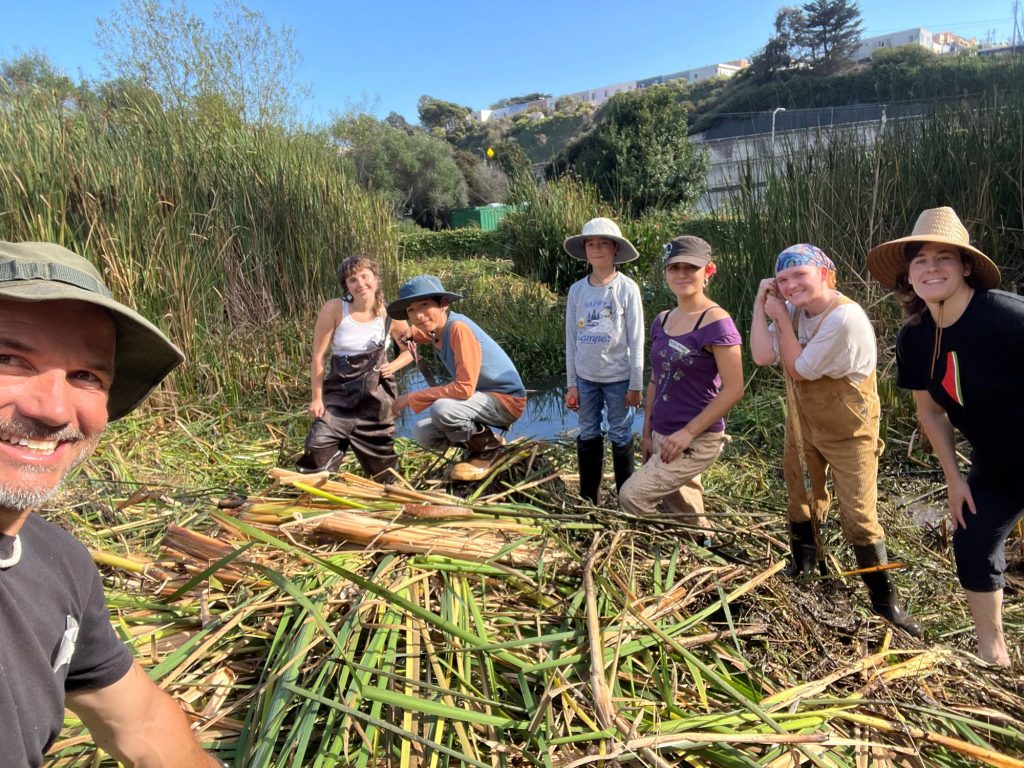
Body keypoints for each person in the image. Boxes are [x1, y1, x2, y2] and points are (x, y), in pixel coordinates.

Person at [0, 241, 220, 766]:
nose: (53, 410)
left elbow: (141, 723)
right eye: (8, 358)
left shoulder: (61, 565)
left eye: (86, 377)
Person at [868, 207, 1022, 665]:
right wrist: (955, 479)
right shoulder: (914, 338)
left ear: (966, 266)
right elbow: (930, 412)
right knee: (972, 540)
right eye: (920, 261)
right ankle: (993, 652)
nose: (931, 268)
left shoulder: (1008, 318)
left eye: (944, 258)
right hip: (996, 462)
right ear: (908, 275)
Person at [750, 243, 920, 636]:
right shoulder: (791, 308)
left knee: (859, 515)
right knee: (799, 493)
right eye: (783, 279)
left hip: (849, 428)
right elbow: (761, 355)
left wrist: (781, 318)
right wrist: (763, 306)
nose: (791, 286)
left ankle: (885, 602)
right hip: (803, 420)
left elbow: (799, 368)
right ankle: (807, 565)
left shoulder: (844, 318)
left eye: (800, 276)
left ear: (826, 274)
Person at [618, 236, 743, 538]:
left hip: (695, 438)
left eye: (691, 268)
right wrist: (647, 434)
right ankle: (703, 544)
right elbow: (655, 381)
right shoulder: (662, 320)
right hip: (662, 433)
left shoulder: (716, 322)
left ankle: (667, 547)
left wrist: (688, 433)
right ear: (665, 273)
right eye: (674, 268)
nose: (682, 274)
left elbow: (734, 388)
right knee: (684, 509)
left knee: (631, 497)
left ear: (708, 271)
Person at [389, 275, 526, 482]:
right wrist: (413, 333)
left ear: (443, 304)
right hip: (483, 399)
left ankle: (490, 452)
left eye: (424, 305)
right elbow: (430, 334)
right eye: (411, 310)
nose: (418, 315)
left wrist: (411, 397)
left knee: (443, 409)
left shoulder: (458, 328)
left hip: (505, 401)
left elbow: (464, 389)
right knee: (423, 433)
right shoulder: (440, 330)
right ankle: (488, 441)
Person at [296, 255, 412, 481]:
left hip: (376, 400)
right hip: (339, 396)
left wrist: (393, 366)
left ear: (376, 279)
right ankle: (313, 496)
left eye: (364, 276)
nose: (360, 284)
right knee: (317, 446)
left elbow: (411, 351)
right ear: (346, 286)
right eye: (352, 280)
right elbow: (319, 357)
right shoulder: (334, 309)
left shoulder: (391, 315)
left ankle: (389, 498)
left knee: (384, 471)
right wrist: (317, 399)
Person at [563, 218, 644, 504]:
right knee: (587, 431)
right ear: (585, 250)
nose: (597, 249)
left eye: (603, 244)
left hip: (619, 378)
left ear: (615, 250)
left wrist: (636, 383)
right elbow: (570, 339)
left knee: (620, 432)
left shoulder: (627, 289)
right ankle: (589, 498)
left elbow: (637, 338)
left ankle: (626, 498)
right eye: (591, 244)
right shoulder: (577, 291)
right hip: (585, 377)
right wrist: (572, 383)